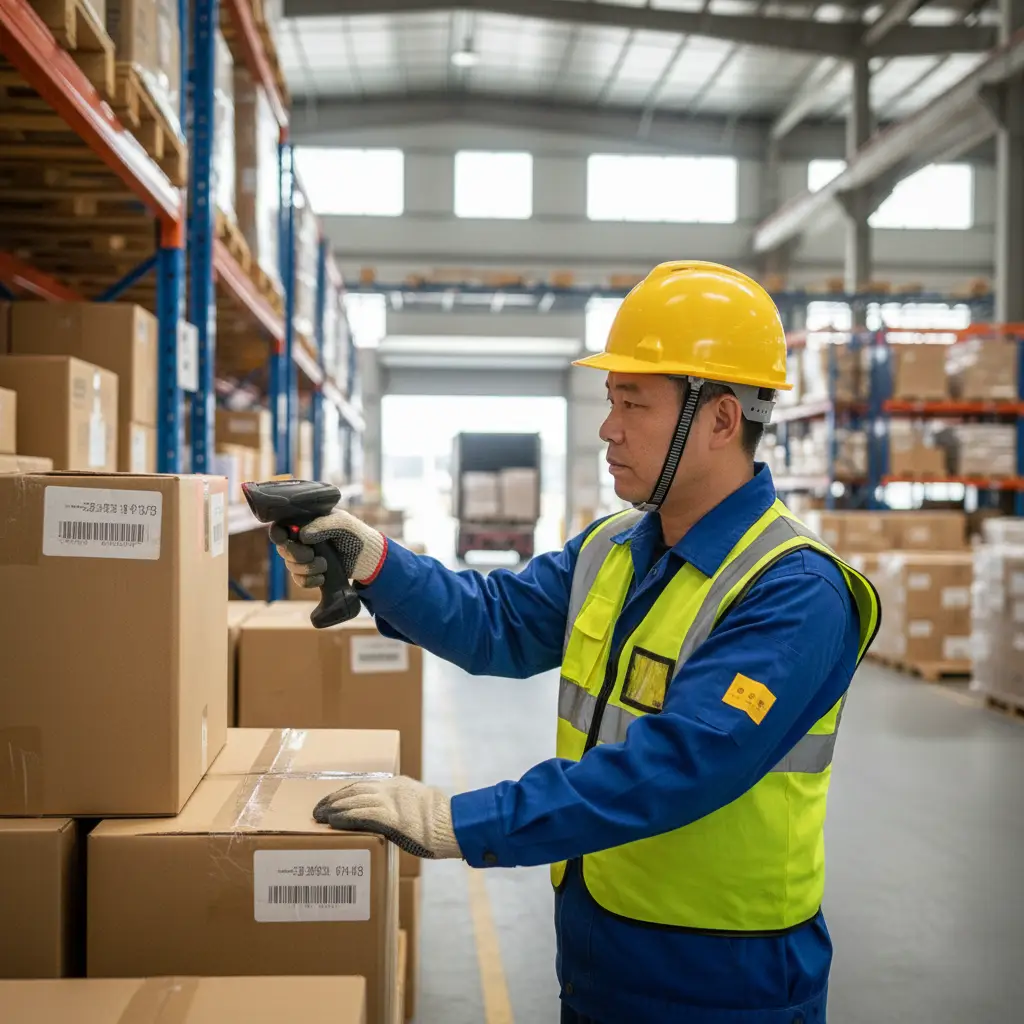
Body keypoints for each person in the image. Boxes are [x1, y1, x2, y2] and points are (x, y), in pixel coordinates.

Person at [273, 261, 881, 1024]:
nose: (608, 428)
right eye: (610, 400)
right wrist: (372, 562)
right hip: (599, 947)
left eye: (634, 403)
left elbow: (678, 767)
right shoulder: (615, 547)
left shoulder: (795, 592)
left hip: (726, 976)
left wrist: (461, 821)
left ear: (722, 420)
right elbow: (494, 620)